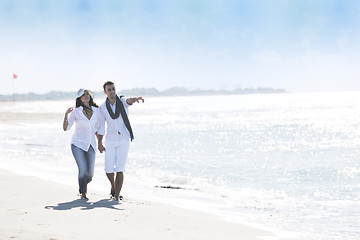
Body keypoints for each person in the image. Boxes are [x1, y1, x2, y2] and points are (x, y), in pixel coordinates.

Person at [97, 81, 144, 202]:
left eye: (113, 89)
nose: (112, 91)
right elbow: (101, 127)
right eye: (109, 90)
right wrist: (99, 142)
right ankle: (113, 186)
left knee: (120, 168)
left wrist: (135, 99)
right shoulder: (102, 108)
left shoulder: (122, 101)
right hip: (110, 140)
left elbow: (128, 100)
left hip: (123, 139)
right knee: (108, 169)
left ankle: (117, 196)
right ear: (105, 92)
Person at [63, 89, 100, 200]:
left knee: (90, 173)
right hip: (77, 144)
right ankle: (83, 193)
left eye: (87, 94)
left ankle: (83, 183)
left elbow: (97, 129)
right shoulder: (76, 111)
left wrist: (100, 142)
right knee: (82, 169)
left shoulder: (97, 110)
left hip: (91, 145)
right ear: (80, 98)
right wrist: (66, 114)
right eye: (83, 95)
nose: (86, 96)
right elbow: (66, 128)